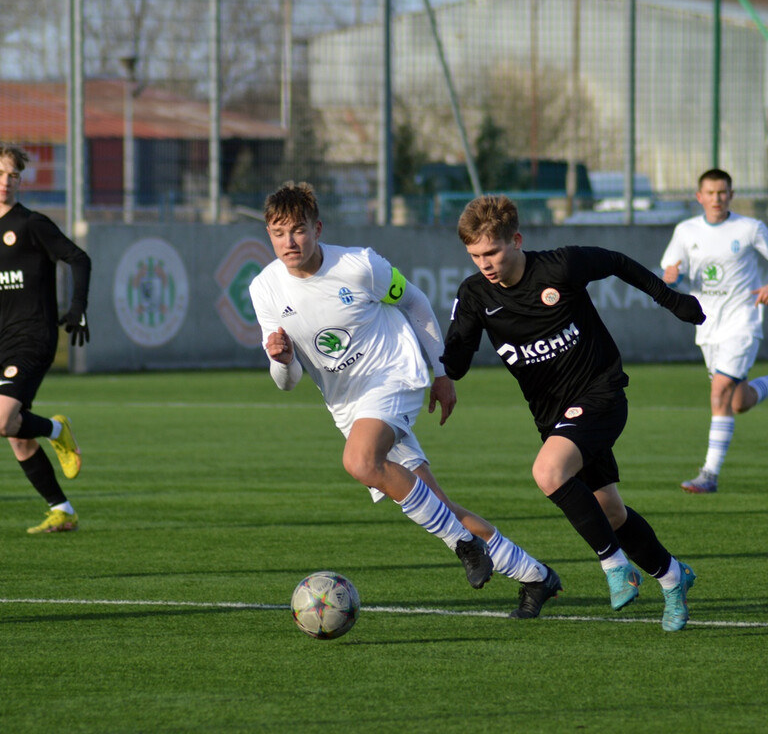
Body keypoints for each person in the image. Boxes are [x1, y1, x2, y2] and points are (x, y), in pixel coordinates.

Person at [249, 181, 562, 618]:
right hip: (349, 406)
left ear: (317, 228)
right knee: (437, 503)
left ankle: (464, 544)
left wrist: (441, 371)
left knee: (360, 462)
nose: (289, 241)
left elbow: (415, 303)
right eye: (279, 233)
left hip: (395, 374)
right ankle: (535, 576)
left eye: (298, 230)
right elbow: (287, 381)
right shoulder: (265, 289)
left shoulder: (360, 266)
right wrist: (281, 359)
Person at [441, 194, 705, 631]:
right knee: (612, 514)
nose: (484, 263)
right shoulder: (474, 295)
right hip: (554, 418)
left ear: (517, 240)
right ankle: (674, 578)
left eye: (492, 251)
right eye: (475, 255)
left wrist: (672, 300)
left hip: (601, 393)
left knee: (548, 472)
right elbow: (456, 361)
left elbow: (618, 262)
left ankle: (615, 567)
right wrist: (428, 362)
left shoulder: (559, 267)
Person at [0, 144, 91, 534]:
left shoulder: (31, 224)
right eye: (0, 174)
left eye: (13, 175)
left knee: (3, 420)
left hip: (33, 335)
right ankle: (62, 509)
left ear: (21, 180)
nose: (6, 182)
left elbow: (79, 258)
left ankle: (58, 431)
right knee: (17, 433)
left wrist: (78, 307)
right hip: (2, 340)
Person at [661, 168, 768, 494]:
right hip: (708, 327)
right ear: (699, 196)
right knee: (738, 401)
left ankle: (709, 474)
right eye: (710, 193)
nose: (716, 198)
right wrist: (672, 276)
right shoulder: (685, 230)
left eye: (722, 192)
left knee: (719, 391)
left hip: (743, 322)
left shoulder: (750, 228)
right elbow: (669, 272)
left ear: (731, 195)